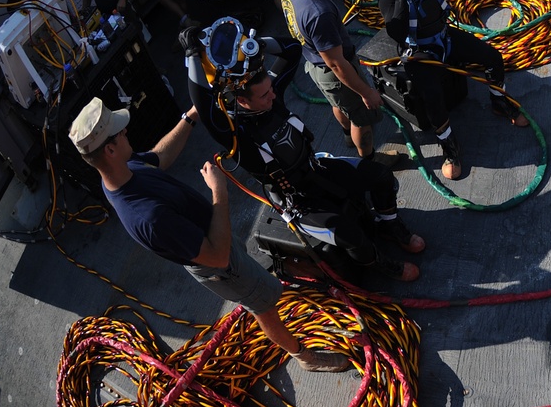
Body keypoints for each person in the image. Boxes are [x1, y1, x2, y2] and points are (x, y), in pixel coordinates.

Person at [68, 97, 350, 372]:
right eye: (120, 132)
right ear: (110, 150)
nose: (127, 131)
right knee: (262, 304)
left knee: (249, 270)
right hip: (219, 262)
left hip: (216, 240)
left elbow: (159, 157)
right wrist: (219, 192)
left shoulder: (123, 170)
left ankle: (273, 275)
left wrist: (193, 114)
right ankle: (303, 355)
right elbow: (217, 255)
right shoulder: (147, 217)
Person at [184, 22, 423, 281]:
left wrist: (251, 46)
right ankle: (378, 264)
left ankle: (388, 224)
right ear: (242, 101)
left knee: (381, 177)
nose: (273, 96)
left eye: (271, 90)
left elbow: (291, 50)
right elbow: (204, 105)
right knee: (352, 238)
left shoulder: (270, 99)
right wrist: (193, 57)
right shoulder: (237, 136)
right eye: (264, 95)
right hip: (299, 202)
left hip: (316, 168)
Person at [376, 0, 528, 180]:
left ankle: (499, 103)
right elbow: (396, 31)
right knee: (434, 99)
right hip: (419, 53)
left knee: (493, 57)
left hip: (444, 38)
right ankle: (450, 149)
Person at [281, 0, 383, 158]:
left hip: (314, 66)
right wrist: (366, 92)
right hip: (335, 71)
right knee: (361, 116)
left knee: (339, 104)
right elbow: (337, 65)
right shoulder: (319, 12)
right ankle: (369, 160)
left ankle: (347, 134)